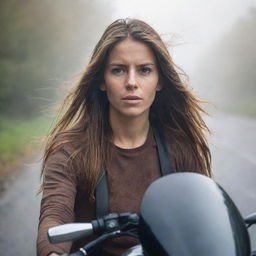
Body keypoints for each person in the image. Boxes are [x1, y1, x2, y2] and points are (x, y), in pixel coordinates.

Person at [37, 18, 212, 256]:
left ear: (159, 81)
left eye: (144, 70)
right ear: (101, 80)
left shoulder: (180, 147)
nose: (131, 82)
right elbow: (55, 216)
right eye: (118, 70)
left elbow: (204, 219)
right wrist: (53, 253)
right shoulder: (70, 150)